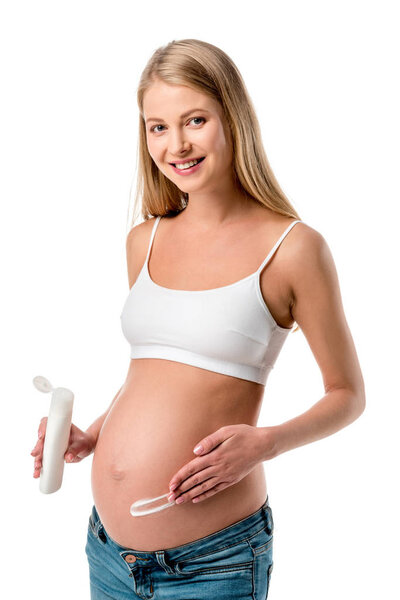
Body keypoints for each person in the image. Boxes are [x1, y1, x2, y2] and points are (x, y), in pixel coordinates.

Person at [30, 38, 366, 599]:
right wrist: (92, 433)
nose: (176, 144)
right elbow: (155, 371)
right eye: (156, 126)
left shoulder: (293, 248)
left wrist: (267, 442)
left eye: (194, 120)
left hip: (214, 562)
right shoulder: (144, 239)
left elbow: (347, 395)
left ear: (232, 118)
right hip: (108, 551)